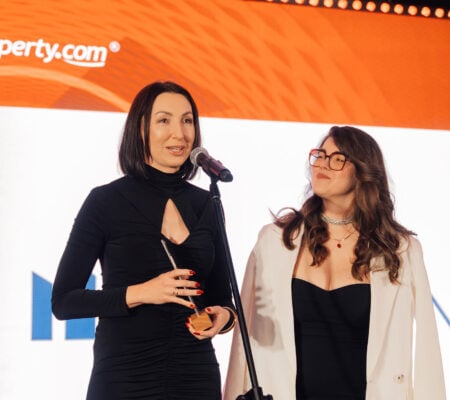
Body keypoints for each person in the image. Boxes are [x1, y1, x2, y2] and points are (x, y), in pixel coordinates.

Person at [224, 126, 446, 400]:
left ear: (363, 171)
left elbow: (427, 348)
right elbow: (244, 340)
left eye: (337, 159)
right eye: (320, 155)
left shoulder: (401, 251)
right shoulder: (275, 241)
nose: (322, 164)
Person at [52, 81, 237, 400]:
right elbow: (64, 302)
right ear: (140, 129)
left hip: (195, 375)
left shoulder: (207, 203)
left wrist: (223, 317)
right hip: (124, 376)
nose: (179, 133)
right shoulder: (105, 201)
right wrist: (142, 293)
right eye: (164, 120)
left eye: (187, 120)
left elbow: (222, 297)